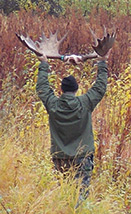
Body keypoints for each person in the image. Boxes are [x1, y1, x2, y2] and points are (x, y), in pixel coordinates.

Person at [36, 52, 109, 205]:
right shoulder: (85, 102)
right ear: (76, 89)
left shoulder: (53, 104)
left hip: (60, 158)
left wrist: (44, 64)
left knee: (63, 194)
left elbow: (42, 88)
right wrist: (102, 62)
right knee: (81, 197)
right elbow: (100, 87)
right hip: (82, 158)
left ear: (61, 89)